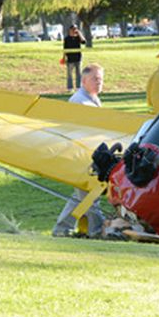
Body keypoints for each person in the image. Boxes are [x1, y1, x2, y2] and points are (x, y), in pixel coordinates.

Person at [53, 63, 106, 237]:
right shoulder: (81, 102)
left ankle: (62, 229)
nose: (99, 82)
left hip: (86, 154)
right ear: (84, 80)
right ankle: (96, 231)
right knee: (89, 196)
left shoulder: (92, 98)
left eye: (100, 79)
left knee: (82, 196)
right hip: (82, 155)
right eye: (95, 79)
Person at [62, 25, 86, 90]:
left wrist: (79, 34)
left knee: (79, 74)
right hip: (70, 59)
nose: (74, 30)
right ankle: (70, 87)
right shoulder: (66, 39)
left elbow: (84, 42)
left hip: (78, 58)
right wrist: (64, 57)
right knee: (69, 74)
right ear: (70, 30)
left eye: (75, 29)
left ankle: (79, 87)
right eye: (73, 29)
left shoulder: (78, 37)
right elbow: (65, 48)